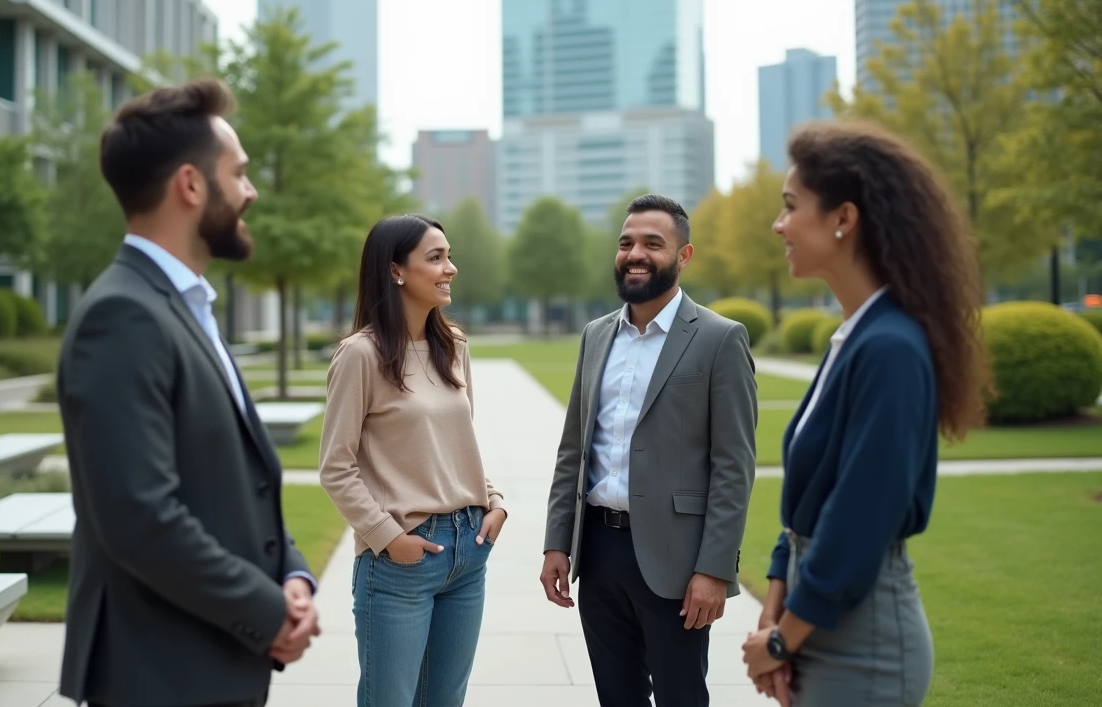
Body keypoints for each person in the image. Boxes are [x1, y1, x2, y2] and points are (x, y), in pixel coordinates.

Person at [56, 78, 321, 707]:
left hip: (209, 664)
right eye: (240, 173)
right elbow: (140, 518)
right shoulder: (121, 316)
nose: (251, 191)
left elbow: (240, 480)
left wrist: (293, 574)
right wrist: (267, 610)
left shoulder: (185, 307)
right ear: (191, 186)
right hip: (159, 675)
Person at [741, 120, 990, 706]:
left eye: (790, 206)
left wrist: (781, 641)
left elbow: (859, 518)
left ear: (843, 219)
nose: (778, 224)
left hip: (863, 643)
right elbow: (806, 502)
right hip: (812, 621)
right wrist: (773, 612)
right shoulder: (854, 337)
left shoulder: (891, 349)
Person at [540, 194, 758, 706]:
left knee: (681, 697)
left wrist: (714, 569)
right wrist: (557, 542)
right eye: (626, 242)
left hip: (677, 562)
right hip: (597, 554)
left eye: (652, 244)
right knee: (617, 698)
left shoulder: (720, 339)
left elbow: (734, 467)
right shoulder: (596, 336)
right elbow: (573, 449)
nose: (635, 253)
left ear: (683, 256)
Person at [319, 213, 508, 706]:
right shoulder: (360, 356)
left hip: (469, 548)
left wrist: (493, 501)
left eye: (449, 256)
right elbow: (335, 466)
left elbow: (456, 443)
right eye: (436, 257)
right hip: (401, 558)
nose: (452, 268)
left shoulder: (455, 346)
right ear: (395, 270)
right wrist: (388, 539)